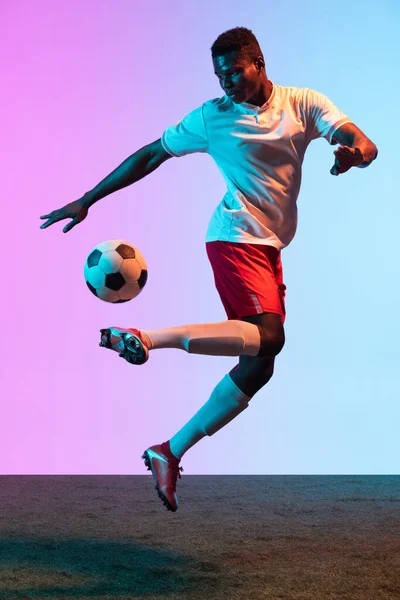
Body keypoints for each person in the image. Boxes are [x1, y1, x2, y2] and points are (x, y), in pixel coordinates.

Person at [40, 27, 378, 512]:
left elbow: (362, 142)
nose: (228, 85)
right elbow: (151, 154)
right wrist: (88, 199)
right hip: (234, 236)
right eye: (221, 77)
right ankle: (144, 337)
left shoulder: (303, 103)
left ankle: (168, 451)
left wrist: (355, 155)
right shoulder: (212, 117)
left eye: (235, 73)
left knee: (259, 365)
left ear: (258, 63)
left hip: (270, 245)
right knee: (271, 336)